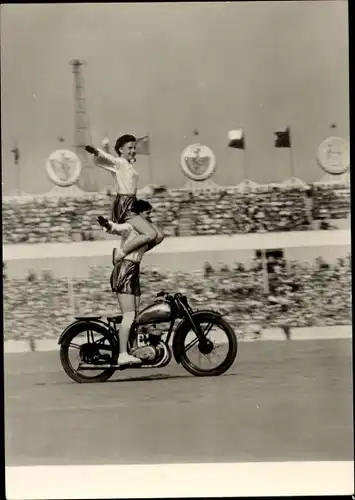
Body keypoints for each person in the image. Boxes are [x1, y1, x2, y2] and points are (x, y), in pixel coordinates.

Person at [98, 199, 164, 366]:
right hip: (125, 269)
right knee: (129, 315)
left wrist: (147, 220)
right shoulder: (131, 227)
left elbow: (159, 236)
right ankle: (122, 354)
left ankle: (133, 350)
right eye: (148, 213)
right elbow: (117, 228)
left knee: (135, 316)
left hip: (133, 269)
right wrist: (107, 224)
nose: (150, 217)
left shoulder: (145, 230)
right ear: (139, 214)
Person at [85, 134, 162, 263]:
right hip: (125, 204)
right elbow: (109, 159)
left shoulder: (126, 165)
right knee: (151, 234)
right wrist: (96, 151)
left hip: (133, 203)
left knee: (159, 236)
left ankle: (129, 252)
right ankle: (121, 254)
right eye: (130, 148)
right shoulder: (120, 162)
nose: (133, 151)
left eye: (134, 147)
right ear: (121, 150)